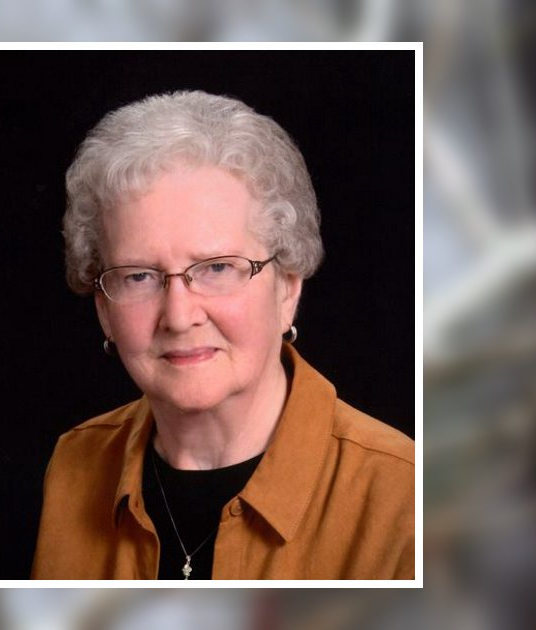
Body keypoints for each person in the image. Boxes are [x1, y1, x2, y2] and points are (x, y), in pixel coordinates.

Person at [31, 90, 415, 580]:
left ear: (287, 287)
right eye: (139, 276)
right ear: (104, 309)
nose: (179, 316)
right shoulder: (73, 466)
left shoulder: (404, 497)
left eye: (216, 268)